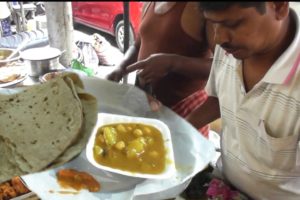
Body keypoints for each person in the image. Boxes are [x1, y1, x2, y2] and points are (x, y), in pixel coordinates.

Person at [187, 2, 300, 199]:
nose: (218, 37)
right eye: (213, 24)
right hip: (223, 185)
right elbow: (219, 98)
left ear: (279, 6)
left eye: (232, 24)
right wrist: (179, 129)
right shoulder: (231, 47)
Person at [107, 2, 215, 137]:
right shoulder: (150, 4)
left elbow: (222, 67)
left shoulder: (198, 7)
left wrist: (173, 63)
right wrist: (121, 68)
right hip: (146, 105)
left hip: (185, 112)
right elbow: (138, 43)